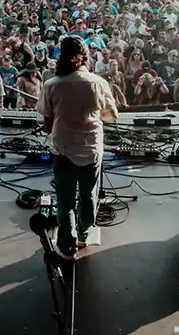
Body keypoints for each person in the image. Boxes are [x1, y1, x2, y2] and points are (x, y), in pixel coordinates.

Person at [37, 36, 118, 257]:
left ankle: (66, 245)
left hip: (62, 150)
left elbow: (47, 125)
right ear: (85, 57)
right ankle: (83, 234)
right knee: (88, 195)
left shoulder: (51, 85)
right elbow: (112, 115)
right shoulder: (98, 83)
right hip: (91, 149)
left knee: (65, 201)